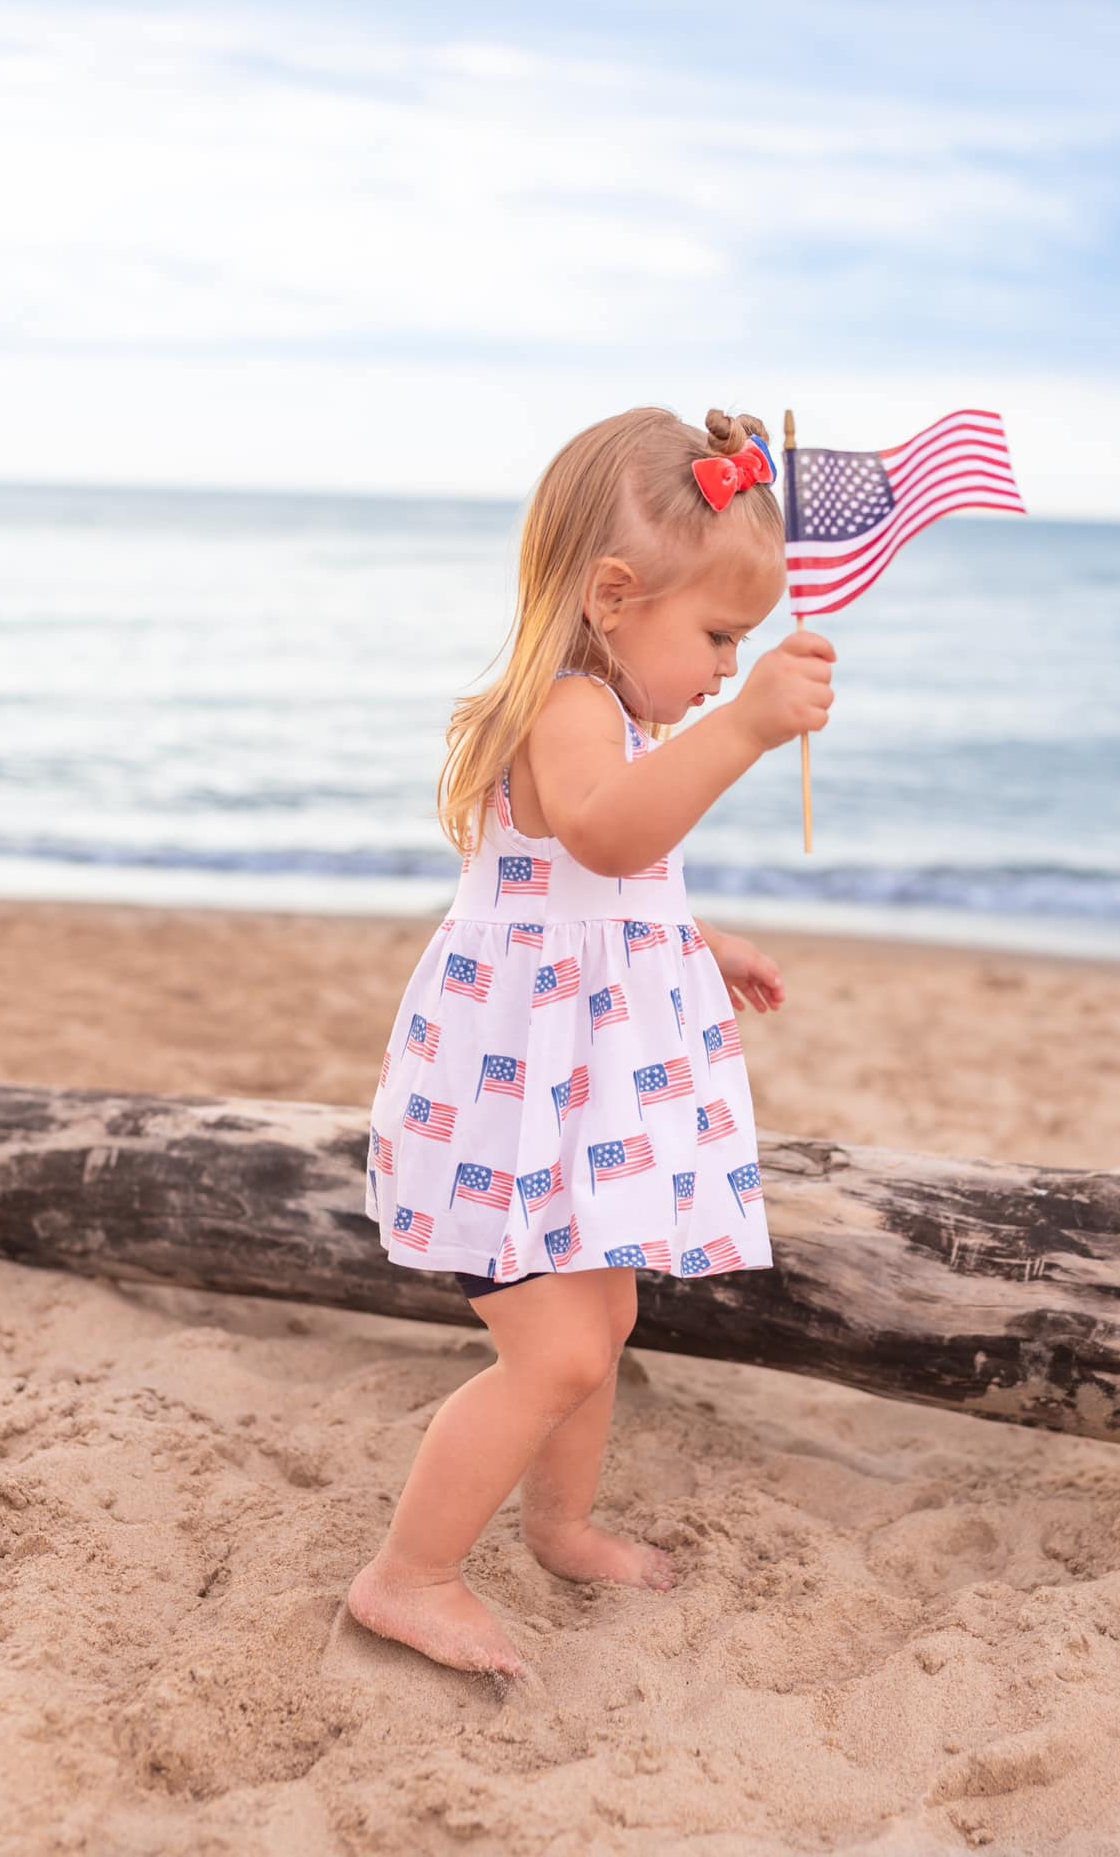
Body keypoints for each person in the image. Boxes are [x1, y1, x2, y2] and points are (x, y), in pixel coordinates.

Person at [345, 404, 836, 1676]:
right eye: (717, 636)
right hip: (502, 1103)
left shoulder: (611, 717)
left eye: (740, 648)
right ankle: (409, 1573)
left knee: (602, 1314)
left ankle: (559, 1523)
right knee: (555, 1347)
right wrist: (746, 728)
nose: (727, 667)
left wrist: (697, 938)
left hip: (561, 1091)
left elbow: (598, 887)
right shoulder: (568, 705)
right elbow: (608, 833)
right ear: (615, 595)